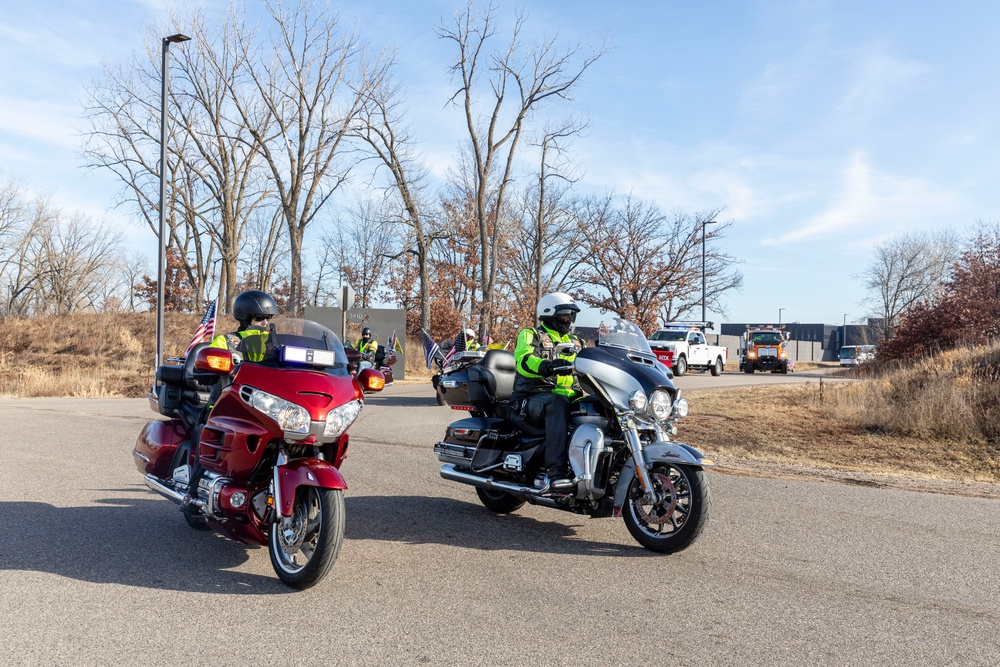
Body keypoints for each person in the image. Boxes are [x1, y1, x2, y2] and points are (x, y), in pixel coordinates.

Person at [511, 292, 585, 489]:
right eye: (564, 316)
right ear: (548, 314)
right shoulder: (531, 335)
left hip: (570, 397)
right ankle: (556, 473)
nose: (569, 320)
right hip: (532, 398)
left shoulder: (577, 342)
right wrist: (547, 365)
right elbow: (524, 360)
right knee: (557, 402)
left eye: (572, 316)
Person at [209, 289, 279, 363]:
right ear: (246, 318)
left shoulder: (276, 342)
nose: (265, 322)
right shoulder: (225, 342)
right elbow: (210, 362)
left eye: (268, 317)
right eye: (259, 318)